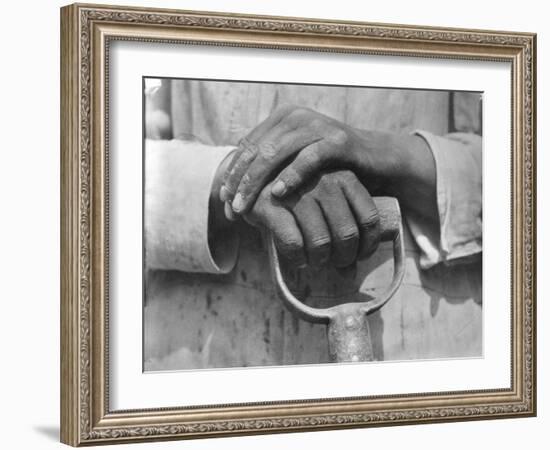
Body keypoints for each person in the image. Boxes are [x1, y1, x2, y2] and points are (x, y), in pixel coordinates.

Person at [144, 79, 482, 370]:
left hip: (425, 343)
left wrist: (387, 154)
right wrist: (237, 176)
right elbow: (102, 166)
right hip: (204, 349)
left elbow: (522, 165)